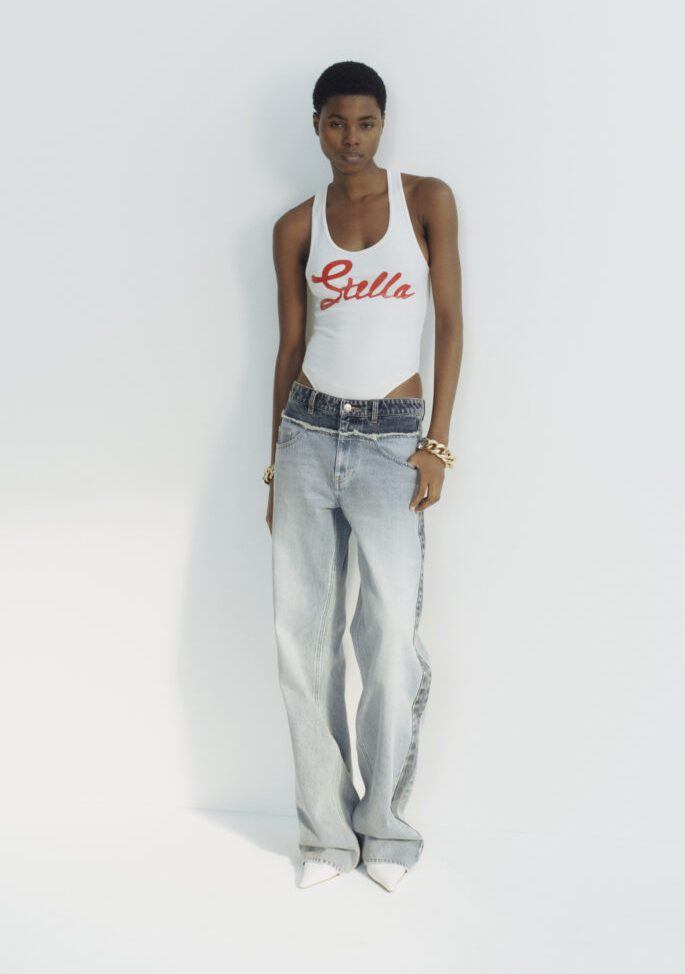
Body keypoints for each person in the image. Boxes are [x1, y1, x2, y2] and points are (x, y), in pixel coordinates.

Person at [265, 61, 463, 892]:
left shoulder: (426, 200)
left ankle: (383, 829)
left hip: (391, 442)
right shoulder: (295, 226)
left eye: (367, 122)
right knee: (304, 646)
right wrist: (275, 466)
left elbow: (449, 320)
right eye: (337, 122)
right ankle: (325, 839)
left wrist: (437, 444)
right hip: (308, 436)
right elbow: (290, 346)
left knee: (388, 648)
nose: (352, 138)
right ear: (316, 125)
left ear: (384, 124)